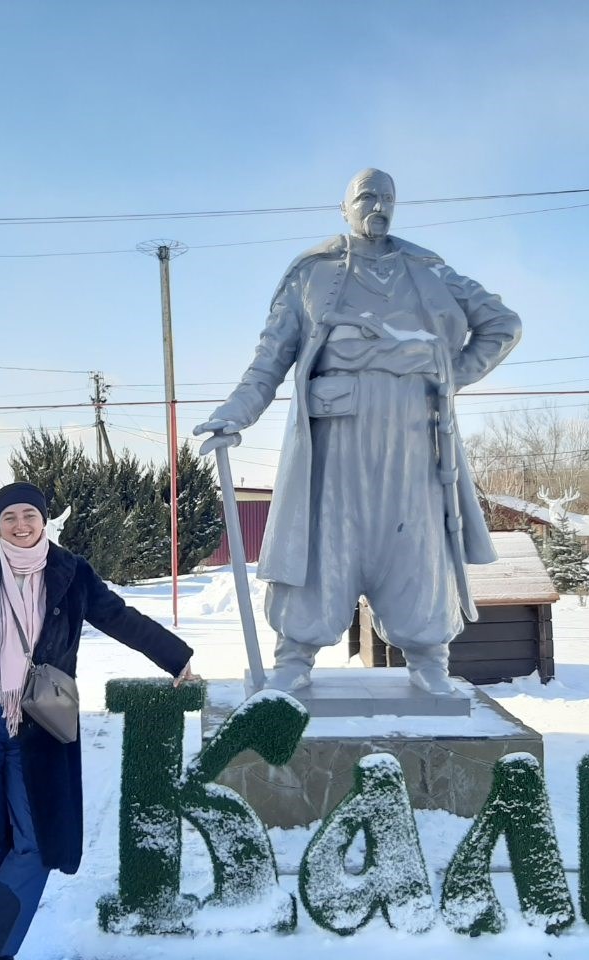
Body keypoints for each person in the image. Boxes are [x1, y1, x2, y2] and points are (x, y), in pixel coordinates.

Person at [195, 168, 521, 696]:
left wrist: (449, 377)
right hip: (335, 439)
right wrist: (235, 413)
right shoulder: (312, 274)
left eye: (387, 197)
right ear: (344, 208)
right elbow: (270, 358)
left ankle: (428, 656)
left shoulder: (429, 270)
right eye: (366, 197)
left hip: (414, 436)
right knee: (324, 539)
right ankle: (295, 656)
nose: (378, 206)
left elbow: (503, 324)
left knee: (418, 543)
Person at [0, 481, 198, 959]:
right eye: (9, 517)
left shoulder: (70, 571)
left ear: (43, 520)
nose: (21, 524)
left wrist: (175, 655)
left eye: (29, 514)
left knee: (36, 841)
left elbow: (118, 616)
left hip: (40, 719)